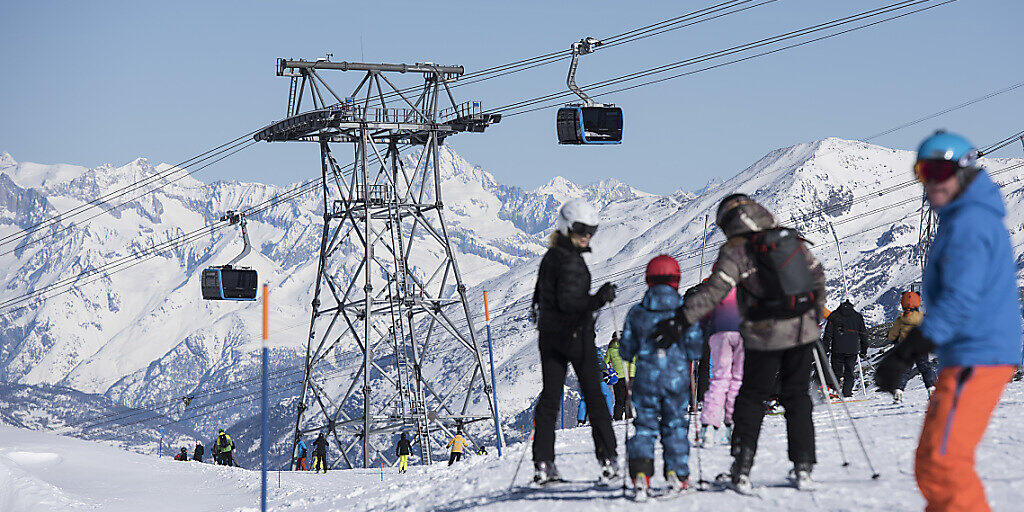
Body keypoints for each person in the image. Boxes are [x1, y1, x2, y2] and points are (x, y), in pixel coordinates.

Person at [875, 131, 1022, 512]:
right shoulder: (963, 217)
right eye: (923, 172)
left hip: (980, 352)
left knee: (943, 461)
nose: (931, 181)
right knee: (933, 459)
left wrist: (909, 349)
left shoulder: (969, 223)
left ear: (964, 171)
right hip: (969, 352)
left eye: (939, 170)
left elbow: (962, 299)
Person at [656, 194, 826, 493]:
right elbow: (816, 275)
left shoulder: (735, 249)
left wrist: (681, 319)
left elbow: (715, 291)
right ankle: (803, 468)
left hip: (763, 333)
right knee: (797, 396)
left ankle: (742, 467)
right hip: (802, 330)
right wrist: (814, 316)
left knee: (751, 397)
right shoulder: (788, 239)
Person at [530, 199, 619, 485]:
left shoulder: (551, 257)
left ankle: (543, 462)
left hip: (550, 338)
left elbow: (540, 300)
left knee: (550, 397)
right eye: (581, 229)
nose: (587, 235)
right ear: (567, 227)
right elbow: (572, 304)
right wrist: (600, 298)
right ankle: (608, 459)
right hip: (576, 336)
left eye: (591, 230)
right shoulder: (570, 260)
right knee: (594, 396)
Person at [619, 255, 703, 498]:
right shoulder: (684, 312)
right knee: (675, 424)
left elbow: (625, 350)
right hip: (676, 379)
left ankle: (641, 475)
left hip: (646, 379)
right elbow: (696, 348)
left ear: (648, 280)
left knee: (645, 426)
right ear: (676, 279)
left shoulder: (637, 312)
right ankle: (677, 473)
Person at [700, 287, 743, 447]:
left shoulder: (713, 289)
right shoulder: (745, 287)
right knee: (737, 379)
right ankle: (734, 427)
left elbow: (703, 316)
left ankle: (708, 429)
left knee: (719, 379)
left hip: (719, 332)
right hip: (742, 331)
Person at [887, 291, 937, 403]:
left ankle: (898, 391)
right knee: (925, 368)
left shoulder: (900, 320)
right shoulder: (922, 318)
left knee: (904, 370)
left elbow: (892, 336)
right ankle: (931, 389)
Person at [822, 300, 868, 397]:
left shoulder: (834, 316)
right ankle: (847, 393)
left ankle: (833, 393)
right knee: (849, 373)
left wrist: (825, 349)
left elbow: (828, 335)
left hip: (837, 349)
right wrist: (864, 350)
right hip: (852, 350)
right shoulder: (858, 317)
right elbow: (864, 335)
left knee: (836, 372)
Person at [603, 332, 636, 420]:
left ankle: (617, 418)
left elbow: (604, 364)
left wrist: (609, 371)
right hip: (631, 375)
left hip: (618, 377)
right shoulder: (629, 347)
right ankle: (630, 417)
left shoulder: (610, 350)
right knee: (629, 398)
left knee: (619, 400)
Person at [575, 361, 615, 426]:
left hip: (585, 379)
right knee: (608, 395)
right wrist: (607, 366)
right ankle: (609, 415)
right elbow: (598, 364)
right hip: (597, 380)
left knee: (584, 399)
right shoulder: (595, 351)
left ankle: (581, 420)